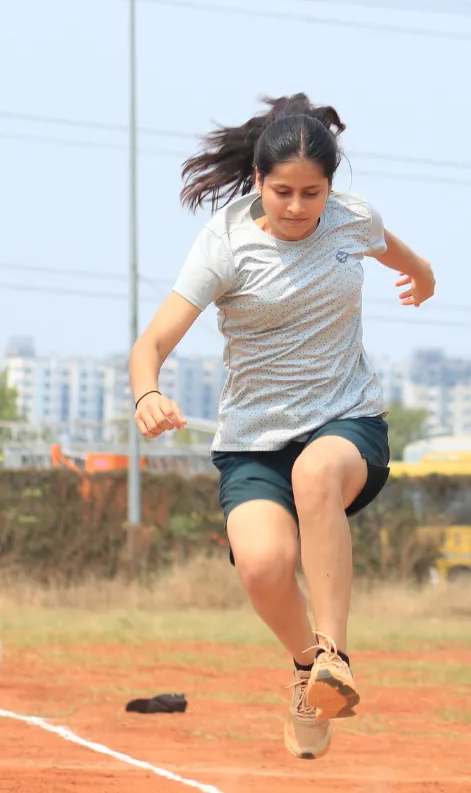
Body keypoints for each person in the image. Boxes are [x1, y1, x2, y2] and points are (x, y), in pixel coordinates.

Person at [130, 93, 435, 760]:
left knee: (316, 470)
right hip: (252, 441)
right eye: (282, 192)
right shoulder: (225, 244)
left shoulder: (352, 221)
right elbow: (149, 346)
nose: (297, 208)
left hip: (346, 421)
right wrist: (147, 394)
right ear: (259, 183)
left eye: (312, 193)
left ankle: (334, 653)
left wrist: (423, 277)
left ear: (331, 187)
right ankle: (309, 675)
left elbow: (403, 258)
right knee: (265, 567)